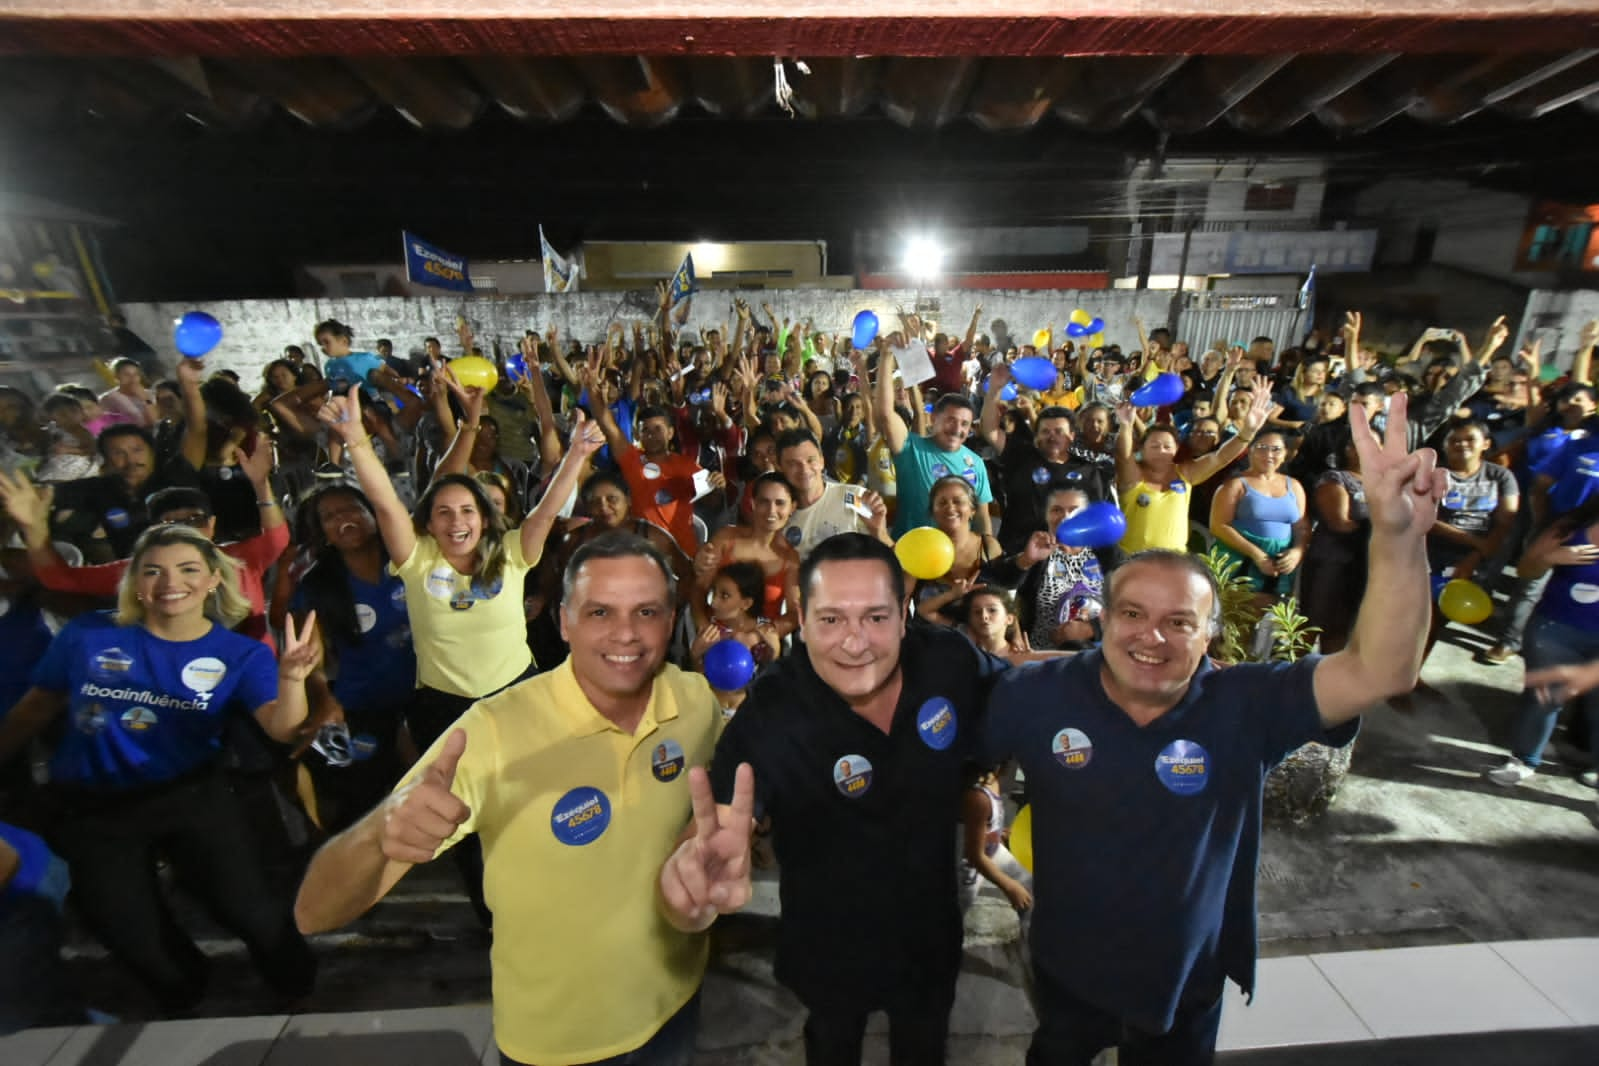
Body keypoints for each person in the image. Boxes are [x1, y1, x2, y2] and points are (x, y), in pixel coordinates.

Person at [979, 392, 1440, 1066]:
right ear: (1100, 619)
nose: (1151, 637)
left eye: (1179, 621)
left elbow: (1379, 671)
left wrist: (1397, 535)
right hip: (1065, 963)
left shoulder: (1246, 701)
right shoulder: (1034, 693)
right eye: (1131, 614)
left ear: (1211, 635)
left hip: (1185, 973)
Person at [296, 533, 732, 1066]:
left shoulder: (692, 702)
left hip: (678, 1004)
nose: (626, 633)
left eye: (647, 611)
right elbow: (313, 913)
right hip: (558, 1041)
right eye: (599, 612)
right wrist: (382, 829)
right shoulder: (494, 731)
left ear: (670, 621)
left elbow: (704, 814)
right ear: (563, 621)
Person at [702, 533, 1009, 1066]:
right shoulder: (778, 703)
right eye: (831, 619)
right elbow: (729, 804)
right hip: (829, 947)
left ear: (904, 609)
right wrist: (706, 851)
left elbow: (1023, 690)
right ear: (801, 614)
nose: (854, 642)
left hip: (928, 938)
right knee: (832, 1045)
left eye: (875, 617)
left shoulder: (946, 659)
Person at [0, 524, 322, 1011]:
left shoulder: (240, 654)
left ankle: (297, 985)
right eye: (153, 570)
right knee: (131, 935)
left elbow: (281, 728)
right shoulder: (88, 635)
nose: (171, 581)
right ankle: (185, 993)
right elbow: (34, 709)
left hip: (190, 795)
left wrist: (293, 678)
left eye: (188, 569)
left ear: (214, 580)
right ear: (135, 582)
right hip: (92, 808)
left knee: (248, 909)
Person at [1483, 496, 1599, 790]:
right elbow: (1525, 570)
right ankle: (1523, 761)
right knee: (1544, 698)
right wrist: (1550, 558)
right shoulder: (1571, 527)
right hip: (1554, 632)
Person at [1114, 389, 1275, 554]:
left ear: (1176, 449)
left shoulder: (1185, 473)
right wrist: (1126, 425)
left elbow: (1220, 457)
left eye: (1167, 446)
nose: (1161, 451)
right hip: (1134, 559)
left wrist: (1249, 431)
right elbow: (1123, 456)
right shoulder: (1134, 476)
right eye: (1155, 446)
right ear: (1141, 449)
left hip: (1174, 563)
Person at [981, 362, 1113, 554]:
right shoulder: (1021, 455)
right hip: (1018, 556)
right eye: (1045, 431)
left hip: (1066, 562)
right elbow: (989, 430)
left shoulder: (1087, 471)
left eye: (1059, 431)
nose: (1052, 436)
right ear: (1037, 436)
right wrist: (994, 388)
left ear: (1072, 436)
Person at [877, 348, 994, 537]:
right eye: (951, 420)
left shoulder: (976, 462)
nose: (957, 429)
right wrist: (886, 356)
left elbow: (982, 517)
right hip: (912, 557)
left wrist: (988, 554)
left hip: (958, 560)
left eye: (965, 424)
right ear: (933, 419)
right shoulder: (911, 449)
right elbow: (885, 414)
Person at [1208, 430, 1310, 599]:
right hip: (1240, 561)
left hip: (1279, 564)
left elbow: (1302, 526)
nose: (1269, 454)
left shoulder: (1295, 486)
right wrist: (1257, 555)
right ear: (1250, 450)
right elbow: (1218, 525)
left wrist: (1298, 551)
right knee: (1236, 615)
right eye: (1262, 447)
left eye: (1276, 449)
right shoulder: (1235, 485)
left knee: (1270, 617)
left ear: (1286, 454)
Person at [777, 430, 890, 559]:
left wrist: (879, 532)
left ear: (822, 461)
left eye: (811, 460)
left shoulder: (853, 496)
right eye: (792, 464)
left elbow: (887, 557)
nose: (804, 469)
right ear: (780, 467)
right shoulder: (780, 514)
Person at [958, 763, 1031, 914]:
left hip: (993, 849)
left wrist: (997, 834)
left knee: (1028, 884)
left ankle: (1028, 930)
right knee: (960, 909)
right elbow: (974, 856)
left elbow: (987, 824)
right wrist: (1009, 886)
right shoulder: (979, 797)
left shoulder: (993, 781)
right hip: (972, 866)